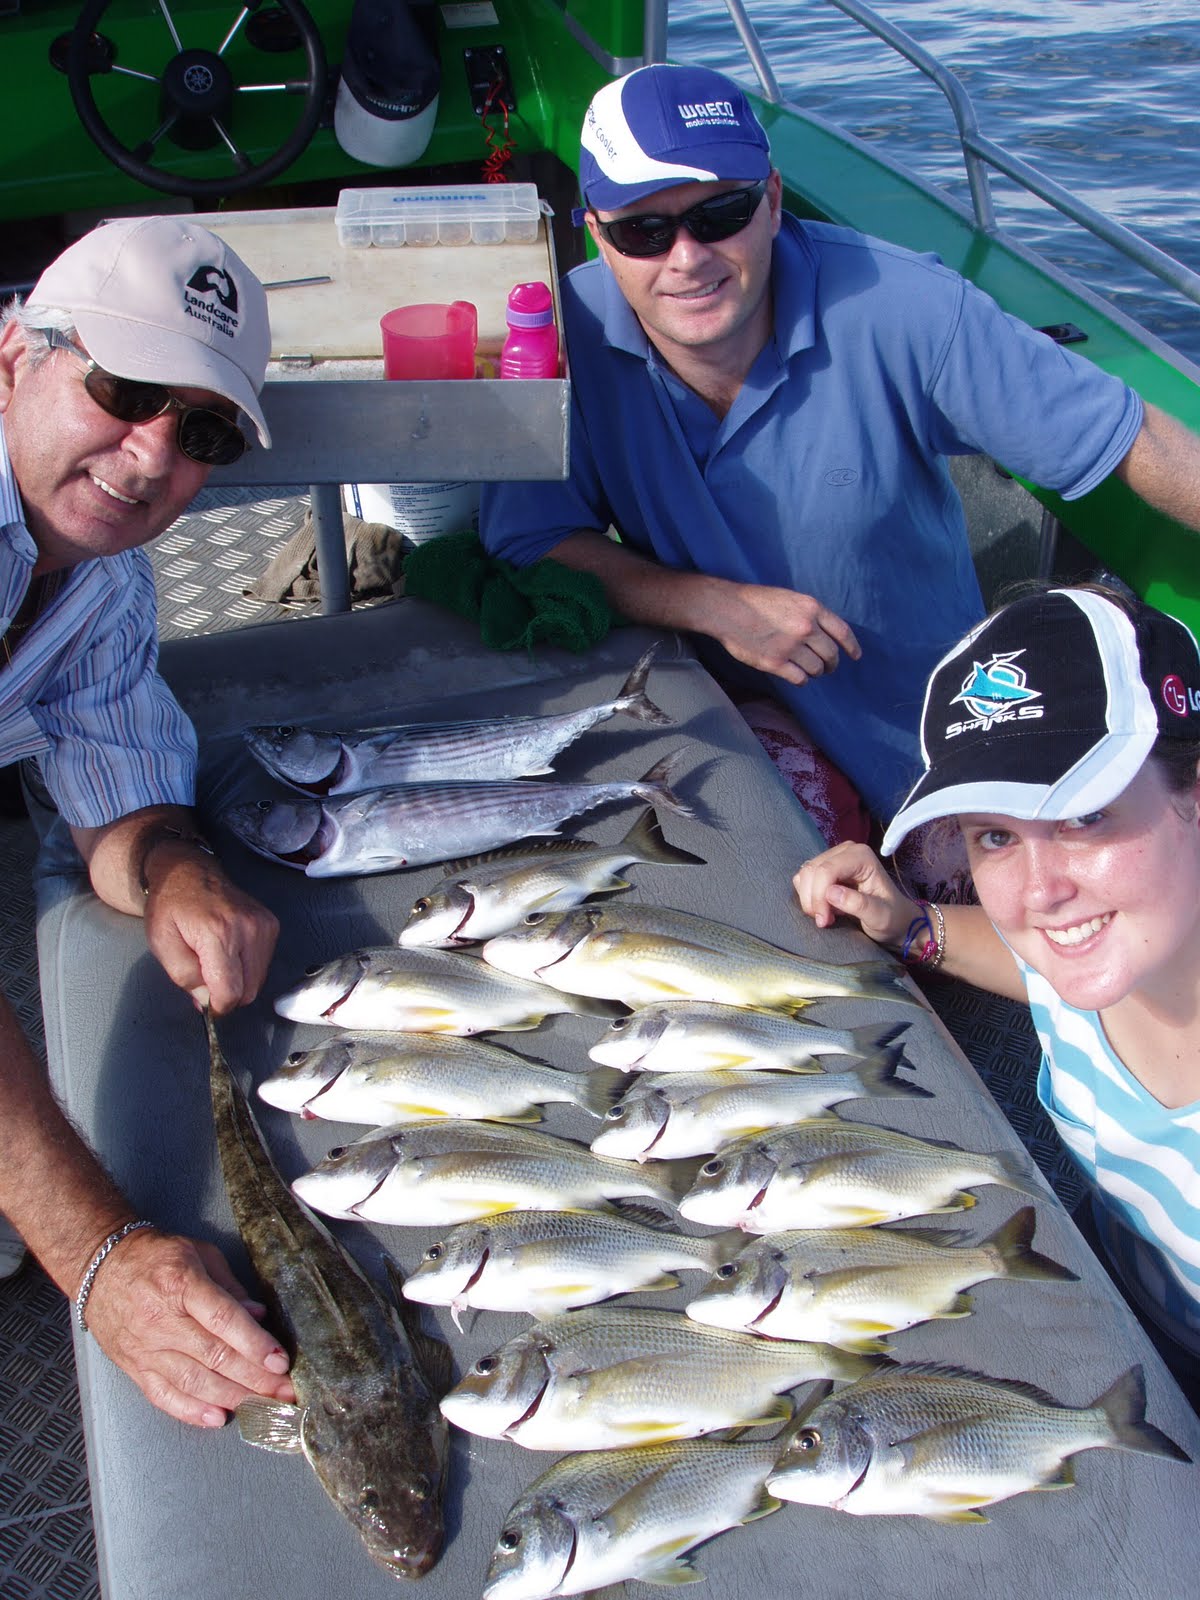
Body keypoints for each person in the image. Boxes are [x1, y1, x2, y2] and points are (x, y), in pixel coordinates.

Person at [481, 61, 1200, 836]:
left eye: (720, 213)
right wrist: (712, 606)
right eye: (644, 231)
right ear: (596, 234)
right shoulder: (563, 341)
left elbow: (1130, 435)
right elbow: (531, 537)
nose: (687, 257)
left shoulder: (904, 307)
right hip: (716, 724)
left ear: (774, 199)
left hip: (931, 747)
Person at [0, 215, 294, 1428]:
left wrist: (171, 868)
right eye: (122, 389)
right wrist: (100, 1256)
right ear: (14, 356)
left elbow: (116, 773)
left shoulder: (101, 575)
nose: (148, 453)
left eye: (202, 430)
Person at [793, 583, 1200, 1407]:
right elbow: (1039, 968)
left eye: (1085, 815)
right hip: (1127, 1295)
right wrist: (912, 926)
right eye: (996, 835)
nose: (1041, 892)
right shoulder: (1090, 955)